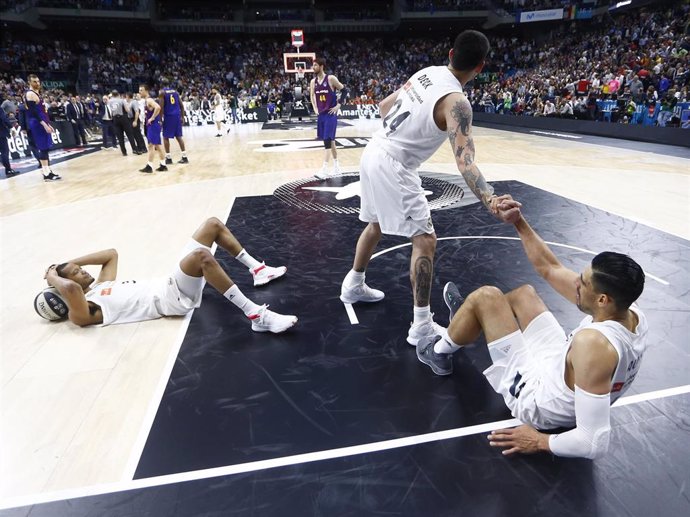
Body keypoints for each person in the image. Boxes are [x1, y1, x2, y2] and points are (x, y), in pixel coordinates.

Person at [416, 205, 647, 460]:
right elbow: (550, 268)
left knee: (486, 296)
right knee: (525, 294)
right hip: (559, 370)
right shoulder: (631, 311)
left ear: (603, 299)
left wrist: (540, 441)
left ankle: (439, 351)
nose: (576, 283)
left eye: (583, 283)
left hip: (540, 403)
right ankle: (469, 317)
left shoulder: (593, 345)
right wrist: (518, 222)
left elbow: (592, 442)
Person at [340, 30, 515, 348]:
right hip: (393, 163)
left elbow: (383, 106)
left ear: (450, 54)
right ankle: (421, 326)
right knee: (425, 242)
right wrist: (489, 198)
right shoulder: (458, 103)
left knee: (377, 223)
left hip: (373, 151)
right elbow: (465, 163)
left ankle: (353, 284)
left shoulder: (426, 73)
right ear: (480, 68)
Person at [44, 217, 297, 333]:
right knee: (202, 257)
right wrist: (52, 277)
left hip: (169, 283)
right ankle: (256, 316)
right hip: (170, 300)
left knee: (212, 225)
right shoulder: (83, 312)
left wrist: (66, 263)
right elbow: (71, 290)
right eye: (78, 273)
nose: (83, 271)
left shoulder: (100, 286)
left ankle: (258, 270)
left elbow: (111, 253)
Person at [309, 58, 346, 179]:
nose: (313, 67)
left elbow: (344, 90)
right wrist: (315, 108)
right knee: (332, 141)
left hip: (331, 114)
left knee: (327, 141)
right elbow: (312, 96)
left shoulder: (331, 79)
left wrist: (338, 105)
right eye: (313, 65)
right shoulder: (313, 82)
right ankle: (337, 167)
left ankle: (324, 169)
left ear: (321, 66)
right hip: (321, 115)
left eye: (315, 65)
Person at [24, 74, 61, 181]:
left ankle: (48, 171)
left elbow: (42, 111)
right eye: (34, 81)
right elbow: (34, 113)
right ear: (29, 82)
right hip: (37, 124)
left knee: (46, 147)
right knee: (43, 148)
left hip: (42, 122)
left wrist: (48, 123)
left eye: (38, 81)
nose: (37, 83)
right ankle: (45, 173)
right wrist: (44, 125)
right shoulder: (30, 94)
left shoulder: (37, 93)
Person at [138, 84, 168, 173]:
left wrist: (152, 118)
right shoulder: (147, 100)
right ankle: (163, 165)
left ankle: (149, 166)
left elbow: (158, 107)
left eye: (141, 90)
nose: (139, 92)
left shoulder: (149, 100)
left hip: (154, 124)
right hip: (153, 125)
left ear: (146, 91)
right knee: (157, 146)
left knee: (151, 145)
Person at [159, 79, 188, 164]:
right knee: (179, 137)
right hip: (177, 116)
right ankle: (184, 156)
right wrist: (182, 117)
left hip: (168, 116)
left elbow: (161, 107)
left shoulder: (162, 92)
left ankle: (168, 158)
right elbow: (182, 106)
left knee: (165, 137)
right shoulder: (175, 92)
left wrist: (160, 119)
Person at [1, 102, 18, 177]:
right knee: (4, 152)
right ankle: (8, 170)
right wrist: (11, 127)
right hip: (1, 134)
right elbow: (4, 119)